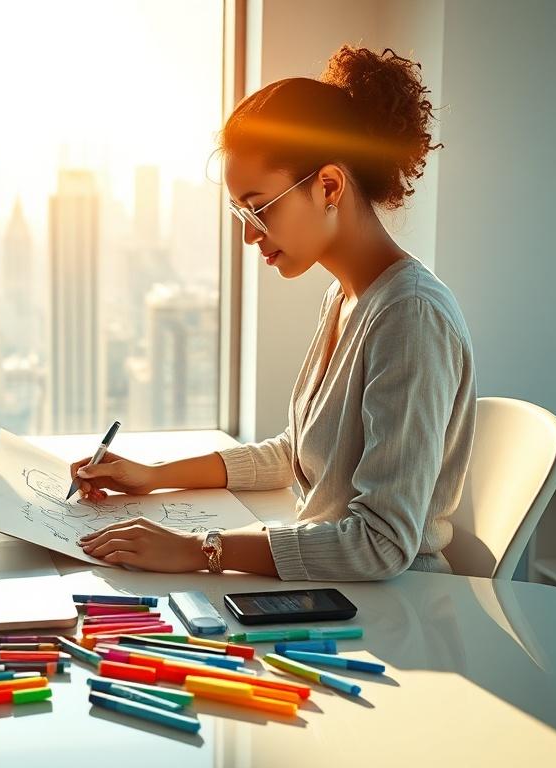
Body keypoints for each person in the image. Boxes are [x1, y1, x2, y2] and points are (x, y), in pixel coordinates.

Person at [73, 45, 476, 580]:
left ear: (328, 186)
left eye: (259, 207)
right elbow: (298, 455)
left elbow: (380, 544)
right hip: (338, 587)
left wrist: (201, 550)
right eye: (241, 211)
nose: (248, 233)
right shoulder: (346, 298)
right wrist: (155, 476)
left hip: (401, 608)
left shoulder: (410, 318)